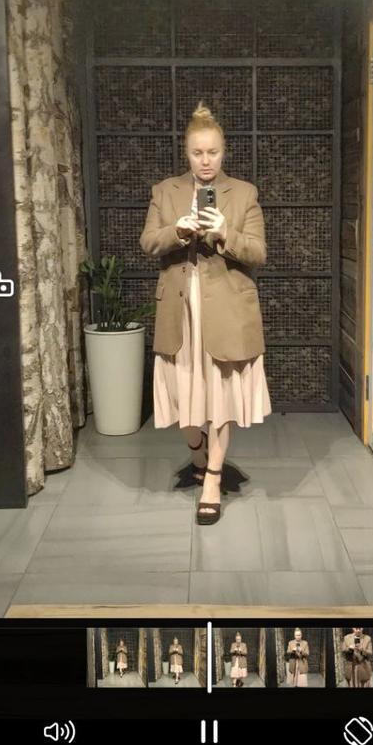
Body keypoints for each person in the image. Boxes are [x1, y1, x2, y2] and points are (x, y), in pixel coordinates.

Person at [140, 102, 271, 525]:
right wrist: (178, 231)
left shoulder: (244, 193)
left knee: (220, 397)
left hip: (227, 312)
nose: (206, 161)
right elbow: (148, 243)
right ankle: (198, 453)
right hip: (180, 314)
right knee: (183, 396)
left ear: (223, 150)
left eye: (213, 152)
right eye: (198, 153)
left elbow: (258, 252)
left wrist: (225, 233)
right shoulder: (165, 191)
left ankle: (212, 479)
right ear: (186, 152)